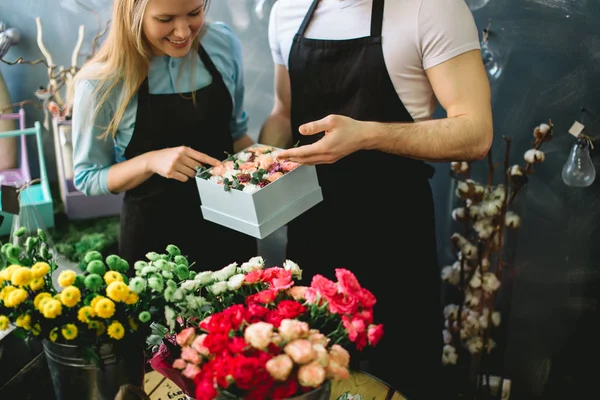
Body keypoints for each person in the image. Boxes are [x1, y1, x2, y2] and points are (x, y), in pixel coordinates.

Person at [259, 0, 493, 398]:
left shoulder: (432, 8)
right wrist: (258, 163)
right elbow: (284, 114)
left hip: (395, 233)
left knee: (403, 376)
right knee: (312, 376)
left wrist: (368, 135)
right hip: (311, 230)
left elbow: (476, 133)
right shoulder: (288, 9)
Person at [71, 0, 257, 269]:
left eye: (194, 13)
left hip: (233, 226)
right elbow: (88, 176)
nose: (183, 32)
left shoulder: (222, 43)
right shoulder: (100, 83)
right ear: (132, 16)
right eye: (165, 19)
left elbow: (237, 135)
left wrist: (277, 168)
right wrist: (150, 162)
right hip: (155, 247)